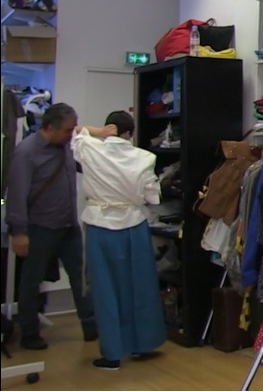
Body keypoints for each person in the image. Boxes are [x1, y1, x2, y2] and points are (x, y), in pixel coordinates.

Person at [70, 110, 167, 370]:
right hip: (134, 225)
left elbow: (75, 131)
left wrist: (98, 132)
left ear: (108, 129)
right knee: (140, 285)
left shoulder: (90, 148)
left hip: (100, 225)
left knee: (105, 290)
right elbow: (152, 196)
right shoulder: (145, 157)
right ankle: (142, 344)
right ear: (131, 133)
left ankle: (112, 354)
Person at [4, 103, 97, 350]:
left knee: (81, 276)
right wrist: (19, 232)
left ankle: (90, 325)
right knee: (31, 281)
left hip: (68, 225)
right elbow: (17, 195)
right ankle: (29, 333)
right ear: (51, 128)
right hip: (40, 227)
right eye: (67, 130)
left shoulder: (65, 145)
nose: (71, 134)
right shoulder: (26, 153)